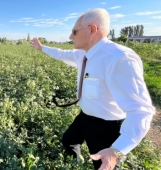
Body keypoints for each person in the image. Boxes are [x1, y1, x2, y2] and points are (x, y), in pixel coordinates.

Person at [31, 8, 155, 170]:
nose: (70, 36)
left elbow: (141, 110)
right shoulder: (83, 54)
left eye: (74, 31)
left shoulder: (119, 58)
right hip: (85, 117)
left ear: (92, 29)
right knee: (69, 140)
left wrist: (116, 151)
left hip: (108, 128)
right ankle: (74, 164)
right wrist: (42, 48)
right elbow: (61, 54)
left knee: (103, 165)